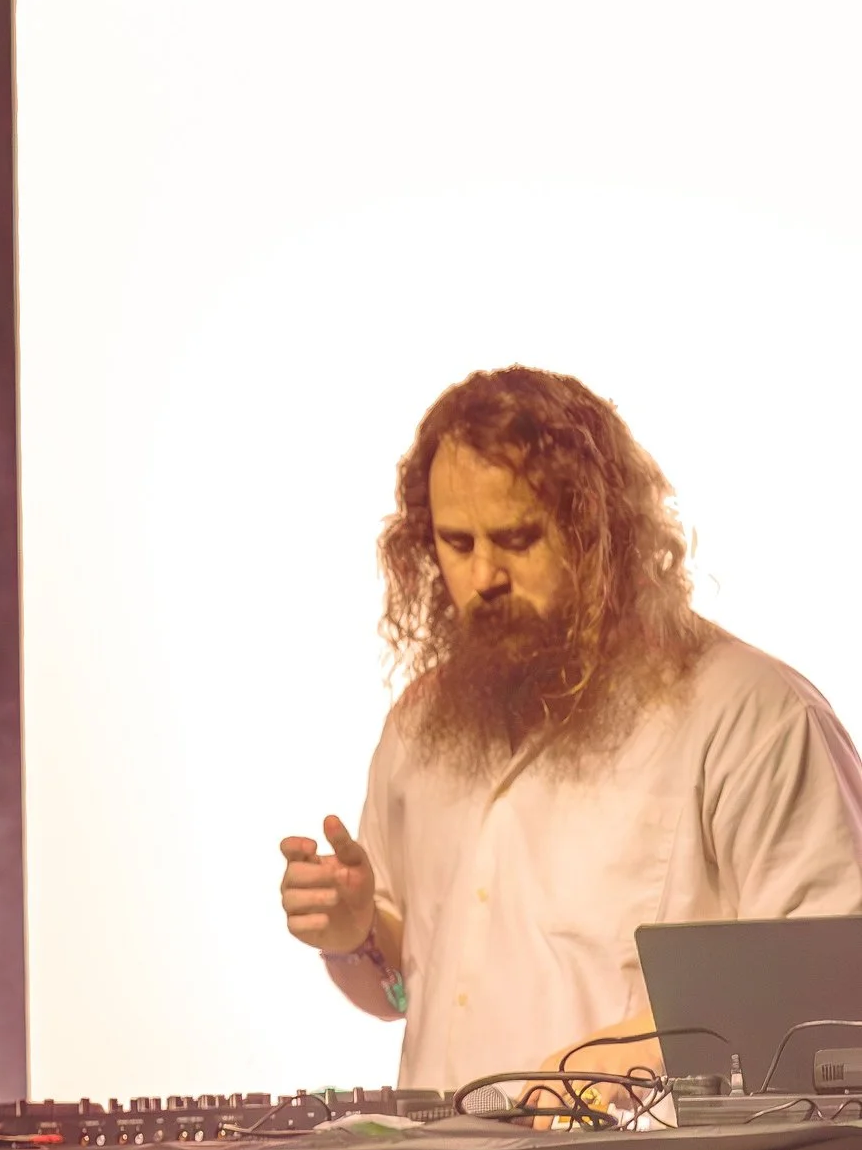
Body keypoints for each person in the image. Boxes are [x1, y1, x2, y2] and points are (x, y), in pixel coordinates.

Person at [277, 366, 862, 1094]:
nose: (483, 576)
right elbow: (404, 989)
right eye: (456, 542)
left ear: (600, 534)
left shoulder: (751, 714)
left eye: (517, 538)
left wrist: (646, 1048)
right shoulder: (418, 725)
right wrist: (357, 935)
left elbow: (835, 986)